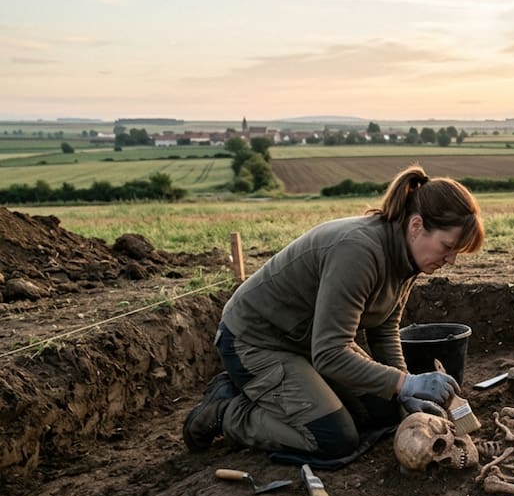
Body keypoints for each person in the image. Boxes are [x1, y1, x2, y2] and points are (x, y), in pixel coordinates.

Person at [181, 164, 485, 462]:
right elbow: (330, 353)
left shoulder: (408, 254)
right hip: (257, 341)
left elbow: (384, 327)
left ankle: (279, 390)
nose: (451, 260)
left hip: (310, 341)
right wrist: (406, 383)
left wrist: (403, 390)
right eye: (448, 247)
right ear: (417, 225)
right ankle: (227, 410)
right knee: (332, 437)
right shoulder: (359, 252)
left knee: (385, 410)